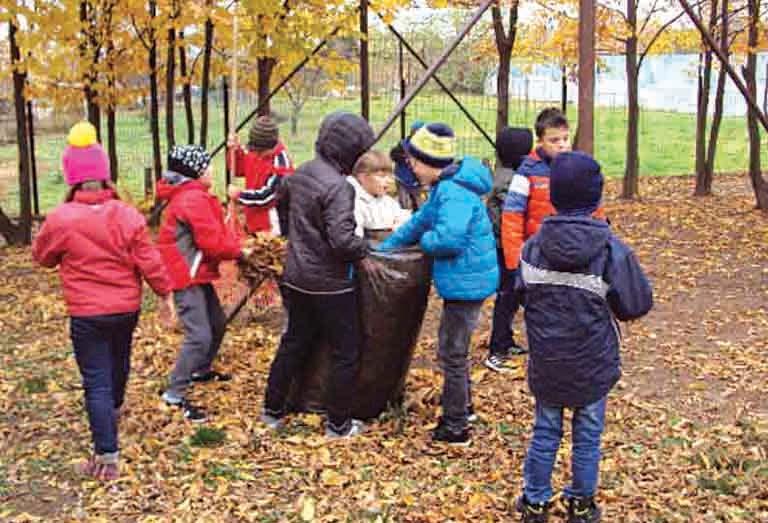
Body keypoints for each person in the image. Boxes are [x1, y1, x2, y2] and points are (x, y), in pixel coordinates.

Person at [514, 152, 653, 523]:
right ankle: (581, 503)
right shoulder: (610, 249)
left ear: (555, 196)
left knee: (545, 429)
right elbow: (636, 303)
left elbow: (521, 291)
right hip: (593, 364)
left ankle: (536, 502)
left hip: (548, 362)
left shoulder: (533, 246)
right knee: (587, 434)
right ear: (596, 197)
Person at [32, 121, 173, 481]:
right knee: (118, 362)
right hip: (125, 308)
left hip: (86, 313)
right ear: (105, 176)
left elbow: (43, 257)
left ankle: (107, 456)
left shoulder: (61, 219)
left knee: (96, 378)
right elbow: (149, 260)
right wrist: (165, 295)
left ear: (72, 178)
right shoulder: (127, 215)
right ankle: (112, 411)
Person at [261, 112, 381, 439]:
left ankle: (272, 410)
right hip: (331, 285)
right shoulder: (340, 187)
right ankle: (338, 424)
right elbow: (342, 240)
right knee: (346, 350)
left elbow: (282, 210)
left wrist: (297, 240)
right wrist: (365, 248)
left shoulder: (299, 174)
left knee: (294, 341)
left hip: (295, 277)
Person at [378, 123, 499, 446]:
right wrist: (384, 249)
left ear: (431, 163)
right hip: (467, 279)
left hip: (466, 284)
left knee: (452, 352)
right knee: (453, 347)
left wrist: (424, 245)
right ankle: (465, 406)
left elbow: (447, 239)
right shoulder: (446, 187)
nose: (412, 168)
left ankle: (456, 426)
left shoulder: (453, 192)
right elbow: (420, 221)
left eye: (415, 163)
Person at [156, 145, 245, 423]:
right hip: (185, 274)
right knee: (200, 335)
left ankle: (201, 370)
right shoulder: (191, 200)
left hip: (197, 272)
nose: (212, 171)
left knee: (217, 323)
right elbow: (212, 242)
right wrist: (241, 252)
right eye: (207, 167)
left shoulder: (194, 197)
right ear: (194, 172)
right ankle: (174, 394)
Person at [484, 127, 534, 373]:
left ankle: (505, 340)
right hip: (504, 248)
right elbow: (511, 217)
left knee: (512, 297)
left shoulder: (508, 174)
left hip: (508, 247)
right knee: (508, 296)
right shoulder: (508, 181)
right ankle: (497, 349)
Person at [227, 116, 294, 235]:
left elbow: (267, 197)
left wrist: (240, 195)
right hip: (253, 223)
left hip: (271, 230)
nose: (257, 154)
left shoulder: (282, 167)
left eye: (260, 151)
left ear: (270, 147)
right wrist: (235, 150)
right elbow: (238, 169)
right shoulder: (257, 151)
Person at [348, 150, 411, 237]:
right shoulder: (352, 201)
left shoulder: (386, 200)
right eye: (382, 176)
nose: (389, 181)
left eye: (390, 176)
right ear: (362, 177)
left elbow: (403, 215)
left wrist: (400, 222)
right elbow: (355, 237)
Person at [390, 120, 425, 210]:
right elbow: (393, 155)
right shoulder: (403, 145)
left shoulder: (426, 147)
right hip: (403, 178)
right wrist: (404, 157)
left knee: (419, 202)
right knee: (405, 204)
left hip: (417, 180)